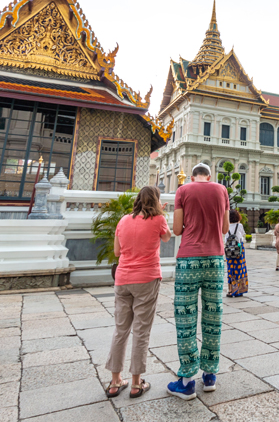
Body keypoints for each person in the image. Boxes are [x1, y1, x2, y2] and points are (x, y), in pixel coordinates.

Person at [167, 164, 230, 400]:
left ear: (192, 177)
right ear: (209, 176)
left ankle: (186, 380)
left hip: (189, 259)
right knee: (213, 317)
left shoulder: (183, 190)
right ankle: (210, 375)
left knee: (186, 319)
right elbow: (224, 228)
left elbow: (176, 230)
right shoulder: (222, 190)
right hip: (215, 259)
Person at [105, 186, 170, 399]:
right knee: (141, 331)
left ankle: (115, 381)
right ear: (156, 200)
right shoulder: (158, 220)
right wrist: (161, 212)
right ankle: (135, 383)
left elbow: (117, 251)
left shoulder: (123, 220)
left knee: (120, 330)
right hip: (146, 279)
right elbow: (168, 237)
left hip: (122, 279)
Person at [226, 209, 248, 297]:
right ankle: (239, 290)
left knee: (230, 269)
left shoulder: (226, 225)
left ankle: (230, 290)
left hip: (228, 249)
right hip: (238, 248)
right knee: (240, 269)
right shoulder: (240, 225)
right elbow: (242, 235)